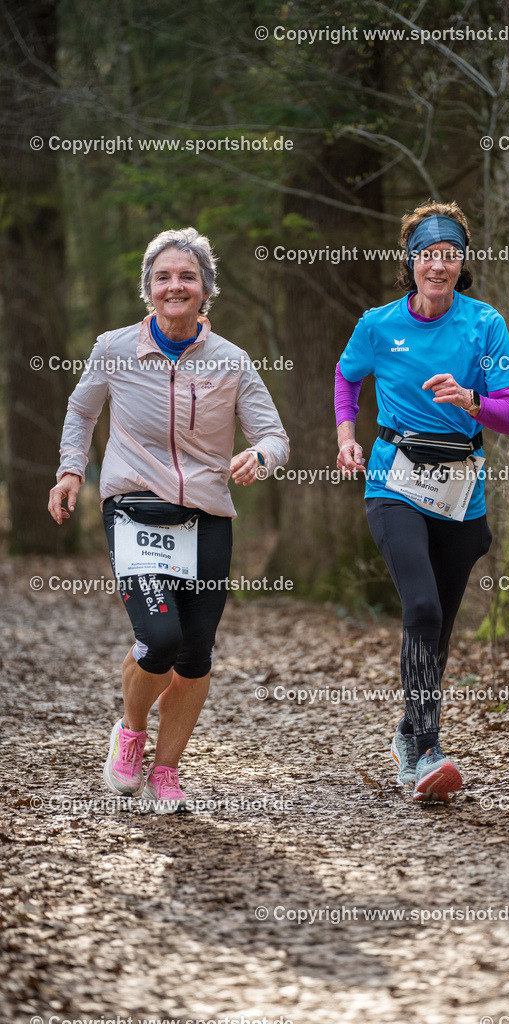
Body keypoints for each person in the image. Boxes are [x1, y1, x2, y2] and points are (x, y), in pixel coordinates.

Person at [49, 227, 289, 813]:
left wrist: (260, 457)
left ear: (206, 288)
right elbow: (81, 412)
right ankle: (131, 733)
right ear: (148, 290)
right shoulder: (114, 349)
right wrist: (71, 472)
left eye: (187, 276)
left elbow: (275, 436)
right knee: (159, 637)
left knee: (196, 652)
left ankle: (167, 769)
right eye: (163, 277)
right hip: (135, 510)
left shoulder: (231, 361)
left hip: (207, 515)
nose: (174, 286)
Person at [335, 200, 509, 803]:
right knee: (420, 609)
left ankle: (406, 734)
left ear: (461, 261)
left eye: (448, 255)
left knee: (436, 628)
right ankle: (426, 749)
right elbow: (347, 376)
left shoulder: (484, 324)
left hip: (460, 489)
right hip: (394, 479)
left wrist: (470, 399)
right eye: (426, 255)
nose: (437, 266)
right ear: (411, 262)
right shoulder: (378, 324)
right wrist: (346, 437)